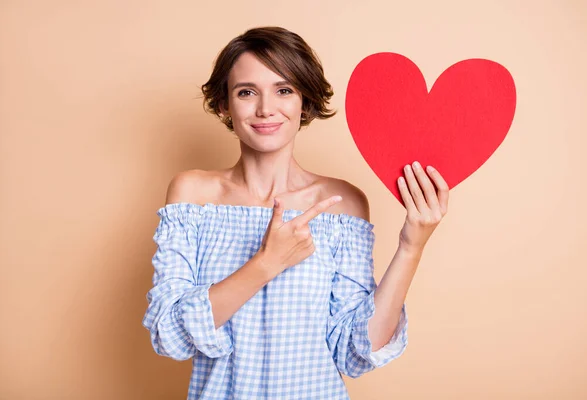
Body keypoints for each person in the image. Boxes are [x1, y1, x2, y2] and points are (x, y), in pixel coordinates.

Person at [142, 26, 449, 400]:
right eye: (246, 92)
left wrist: (411, 246)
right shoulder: (194, 196)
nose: (265, 108)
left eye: (284, 90)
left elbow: (355, 350)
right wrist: (267, 263)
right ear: (224, 104)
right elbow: (170, 335)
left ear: (304, 102)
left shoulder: (342, 202)